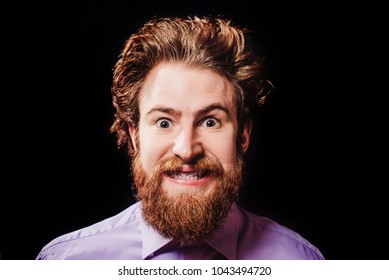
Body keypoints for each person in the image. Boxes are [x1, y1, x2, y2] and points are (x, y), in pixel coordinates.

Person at [36, 15, 324, 260]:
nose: (186, 149)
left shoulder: (301, 262)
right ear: (135, 136)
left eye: (210, 121)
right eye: (164, 122)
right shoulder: (65, 263)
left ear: (243, 134)